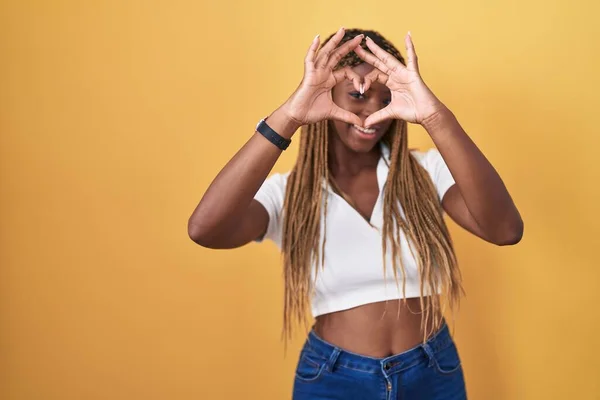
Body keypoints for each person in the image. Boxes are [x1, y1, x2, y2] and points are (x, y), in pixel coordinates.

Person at [188, 27, 523, 400]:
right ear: (324, 94)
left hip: (432, 373)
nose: (374, 112)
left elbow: (505, 229)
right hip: (334, 381)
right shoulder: (290, 194)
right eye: (358, 95)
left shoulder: (425, 173)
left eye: (386, 98)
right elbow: (205, 229)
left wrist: (434, 116)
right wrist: (291, 115)